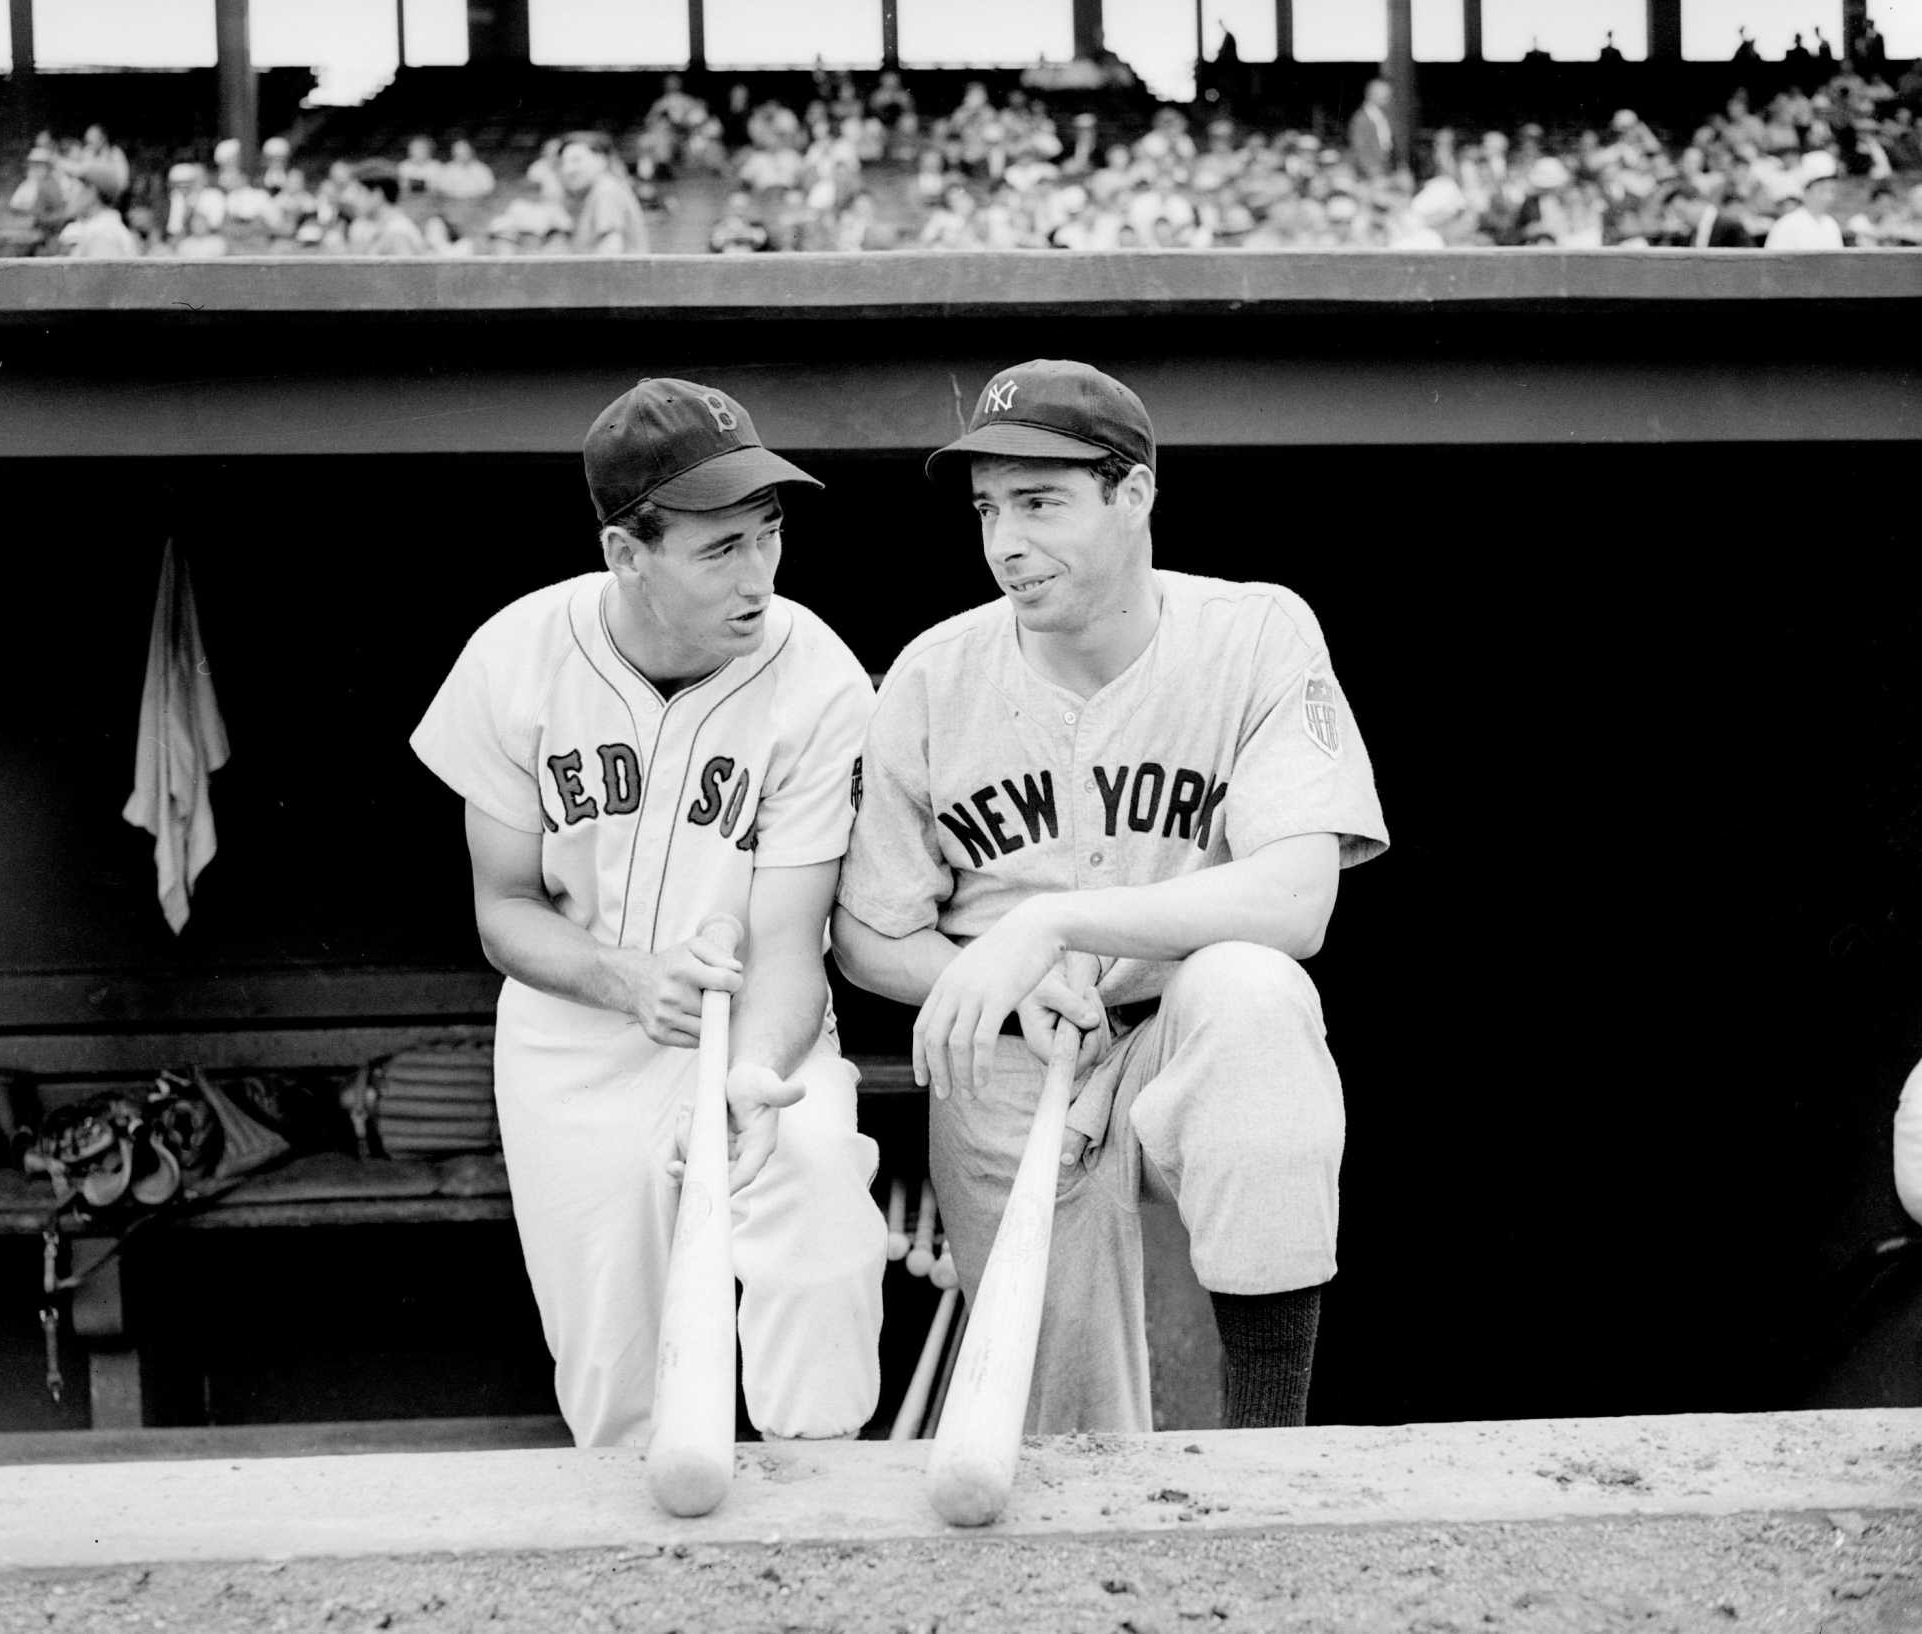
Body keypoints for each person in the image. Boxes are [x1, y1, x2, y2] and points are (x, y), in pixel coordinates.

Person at [832, 360, 1388, 1434]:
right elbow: (864, 928)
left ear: (1131, 492)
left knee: (1253, 992)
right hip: (1011, 1059)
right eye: (988, 508)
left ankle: (1267, 1463)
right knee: (1064, 1439)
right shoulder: (933, 674)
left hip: (1173, 1030)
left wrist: (1050, 922)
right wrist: (987, 976)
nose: (1003, 542)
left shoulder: (1254, 632)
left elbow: (1297, 897)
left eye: (1039, 502)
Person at [409, 379, 885, 1447]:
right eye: (719, 550)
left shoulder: (815, 676)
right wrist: (626, 975)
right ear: (628, 552)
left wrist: (755, 1080)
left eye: (767, 534)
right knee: (620, 1392)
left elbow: (789, 944)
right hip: (574, 1043)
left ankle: (825, 1520)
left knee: (815, 1206)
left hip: (756, 1023)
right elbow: (503, 909)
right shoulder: (516, 655)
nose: (759, 574)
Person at [557, 134, 650, 255]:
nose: (567, 169)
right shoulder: (598, 190)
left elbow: (610, 252)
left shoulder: (606, 190)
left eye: (576, 160)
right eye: (563, 162)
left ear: (601, 161)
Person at [56, 161, 142, 258]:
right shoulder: (98, 229)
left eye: (73, 188)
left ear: (91, 192)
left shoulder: (103, 234)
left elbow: (100, 273)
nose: (66, 196)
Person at [1766, 150, 1848, 248]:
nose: (1828, 196)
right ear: (1806, 191)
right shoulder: (1786, 225)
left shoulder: (1831, 225)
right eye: (1822, 190)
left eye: (1832, 190)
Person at [344, 161, 427, 256]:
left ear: (377, 194)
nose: (350, 199)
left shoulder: (399, 231)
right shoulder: (359, 226)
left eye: (358, 192)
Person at [1348, 78, 1396, 182]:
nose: (1388, 98)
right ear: (1371, 95)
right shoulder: (1361, 119)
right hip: (1371, 174)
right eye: (1384, 95)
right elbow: (1360, 149)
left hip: (1386, 170)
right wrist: (1374, 172)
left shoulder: (1383, 116)